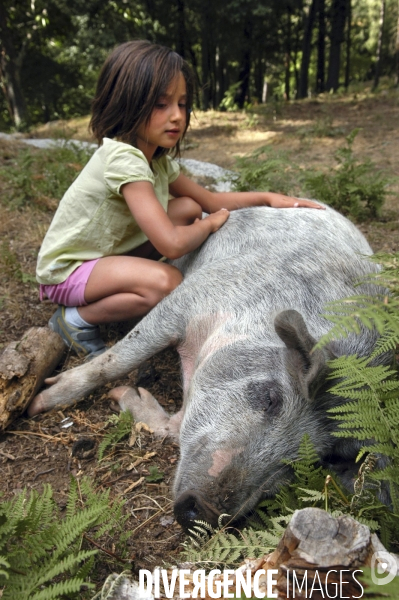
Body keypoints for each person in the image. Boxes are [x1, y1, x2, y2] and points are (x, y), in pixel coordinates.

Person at [36, 40, 324, 360]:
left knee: (187, 207)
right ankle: (74, 319)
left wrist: (269, 198)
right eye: (161, 104)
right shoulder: (123, 158)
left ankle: (130, 288)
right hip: (69, 270)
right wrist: (212, 223)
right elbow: (173, 244)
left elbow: (209, 200)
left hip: (103, 257)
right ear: (127, 103)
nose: (176, 116)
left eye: (183, 104)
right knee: (166, 283)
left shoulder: (156, 161)